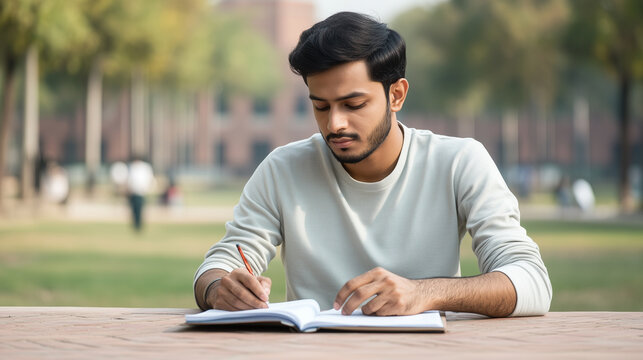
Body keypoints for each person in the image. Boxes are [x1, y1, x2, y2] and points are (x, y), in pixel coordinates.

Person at [194, 12, 552, 318]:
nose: (334, 124)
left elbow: (531, 280)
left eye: (353, 105)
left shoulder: (458, 162)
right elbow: (217, 266)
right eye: (320, 106)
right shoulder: (283, 168)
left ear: (396, 95)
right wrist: (219, 290)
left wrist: (424, 293)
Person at [126, 156, 155, 231]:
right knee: (133, 210)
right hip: (133, 192)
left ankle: (139, 225)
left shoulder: (144, 168)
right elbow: (129, 179)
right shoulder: (132, 167)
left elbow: (148, 179)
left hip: (141, 192)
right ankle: (135, 225)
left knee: (140, 209)